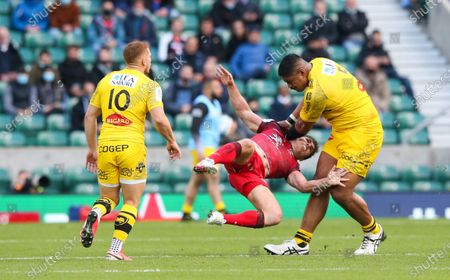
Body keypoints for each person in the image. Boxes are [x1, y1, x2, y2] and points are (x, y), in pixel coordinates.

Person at [197, 65, 348, 229]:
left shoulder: (292, 167)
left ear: (303, 157)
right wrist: (231, 85)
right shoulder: (274, 128)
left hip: (247, 177)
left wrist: (328, 181)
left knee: (274, 215)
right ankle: (210, 161)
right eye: (307, 140)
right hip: (243, 156)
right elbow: (244, 113)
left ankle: (222, 218)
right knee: (248, 144)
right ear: (298, 136)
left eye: (309, 148)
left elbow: (304, 186)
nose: (307, 144)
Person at [264, 54, 385, 256]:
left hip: (364, 133)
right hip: (344, 129)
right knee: (321, 183)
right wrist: (289, 120)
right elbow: (306, 99)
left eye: (291, 81)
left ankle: (373, 232)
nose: (290, 87)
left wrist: (278, 137)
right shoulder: (318, 63)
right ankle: (301, 243)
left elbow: (302, 128)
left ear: (301, 72)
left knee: (340, 191)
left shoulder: (317, 91)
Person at [80, 40, 181, 261]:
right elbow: (159, 119)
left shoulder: (106, 80)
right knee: (131, 202)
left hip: (106, 145)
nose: (151, 60)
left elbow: (89, 116)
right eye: (150, 56)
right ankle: (115, 249)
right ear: (144, 60)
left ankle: (96, 212)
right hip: (131, 147)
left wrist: (91, 148)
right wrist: (171, 140)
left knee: (108, 199)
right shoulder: (150, 85)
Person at [181, 80, 227, 221]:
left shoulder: (216, 104)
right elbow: (194, 128)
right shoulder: (201, 104)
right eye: (217, 87)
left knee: (197, 180)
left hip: (211, 146)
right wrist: (200, 148)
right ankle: (221, 210)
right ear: (208, 88)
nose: (220, 90)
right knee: (214, 176)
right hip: (203, 148)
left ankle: (186, 211)